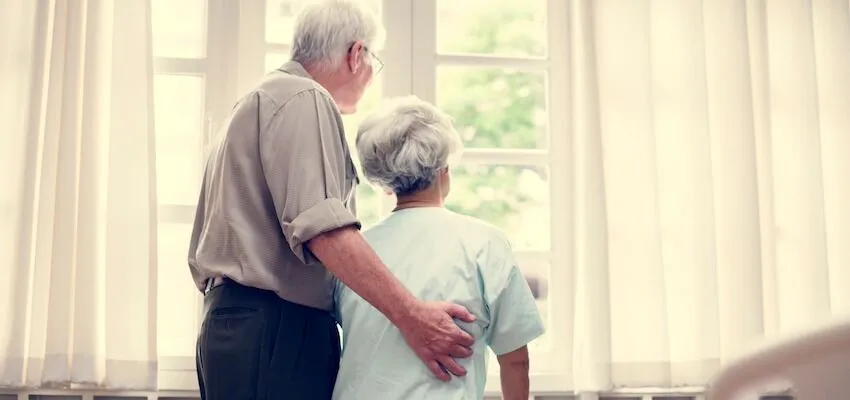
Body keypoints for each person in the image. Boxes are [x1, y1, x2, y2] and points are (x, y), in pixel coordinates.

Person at [187, 1, 476, 399]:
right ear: (357, 55)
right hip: (275, 327)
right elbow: (323, 230)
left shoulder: (258, 100)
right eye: (374, 59)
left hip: (236, 324)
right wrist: (415, 318)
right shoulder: (304, 97)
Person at [332, 96, 546, 400]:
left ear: (383, 181)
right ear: (442, 168)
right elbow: (515, 359)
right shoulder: (484, 244)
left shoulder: (353, 254)